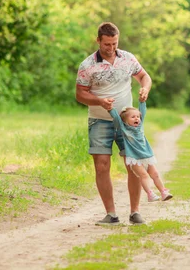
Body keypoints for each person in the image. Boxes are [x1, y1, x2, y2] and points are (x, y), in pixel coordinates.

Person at [76, 22, 153, 226]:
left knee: (134, 164)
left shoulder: (127, 58)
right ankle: (111, 214)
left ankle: (135, 212)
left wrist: (145, 88)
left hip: (127, 121)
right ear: (98, 40)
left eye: (114, 43)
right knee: (102, 166)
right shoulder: (87, 65)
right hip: (99, 120)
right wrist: (99, 101)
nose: (111, 48)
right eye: (107, 44)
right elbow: (80, 94)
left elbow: (144, 76)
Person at [105, 100, 173, 203]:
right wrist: (110, 109)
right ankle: (150, 194)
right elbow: (117, 119)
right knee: (144, 175)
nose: (137, 118)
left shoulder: (140, 126)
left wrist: (142, 101)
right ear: (125, 120)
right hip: (134, 158)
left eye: (137, 117)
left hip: (147, 156)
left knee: (155, 174)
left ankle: (163, 192)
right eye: (133, 117)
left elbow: (143, 111)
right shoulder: (124, 128)